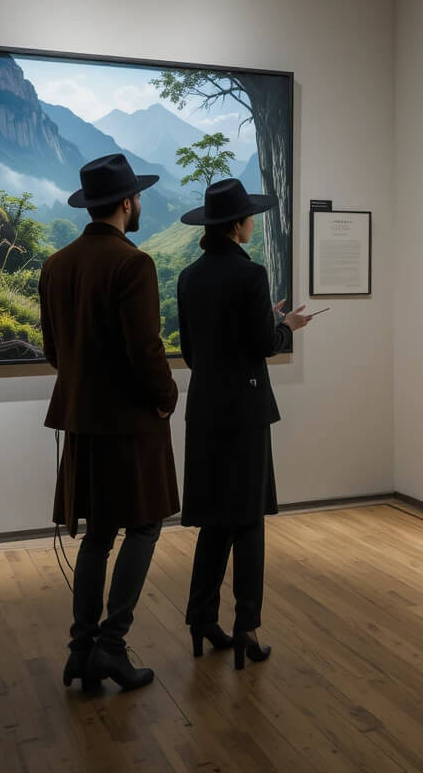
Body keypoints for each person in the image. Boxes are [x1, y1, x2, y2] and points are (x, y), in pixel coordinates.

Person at [39, 154, 179, 693]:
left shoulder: (56, 263)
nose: (139, 204)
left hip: (81, 421)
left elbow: (54, 350)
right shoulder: (133, 264)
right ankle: (112, 647)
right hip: (130, 423)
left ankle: (80, 651)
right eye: (138, 197)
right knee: (143, 525)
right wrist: (165, 398)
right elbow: (146, 350)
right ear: (126, 203)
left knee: (97, 534)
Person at [176, 178, 312, 670]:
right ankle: (246, 628)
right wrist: (287, 326)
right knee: (249, 520)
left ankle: (200, 619)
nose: (253, 223)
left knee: (215, 519)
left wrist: (261, 323)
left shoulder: (189, 277)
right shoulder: (251, 275)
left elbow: (193, 351)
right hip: (247, 412)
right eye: (249, 216)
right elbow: (262, 344)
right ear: (237, 225)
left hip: (206, 410)